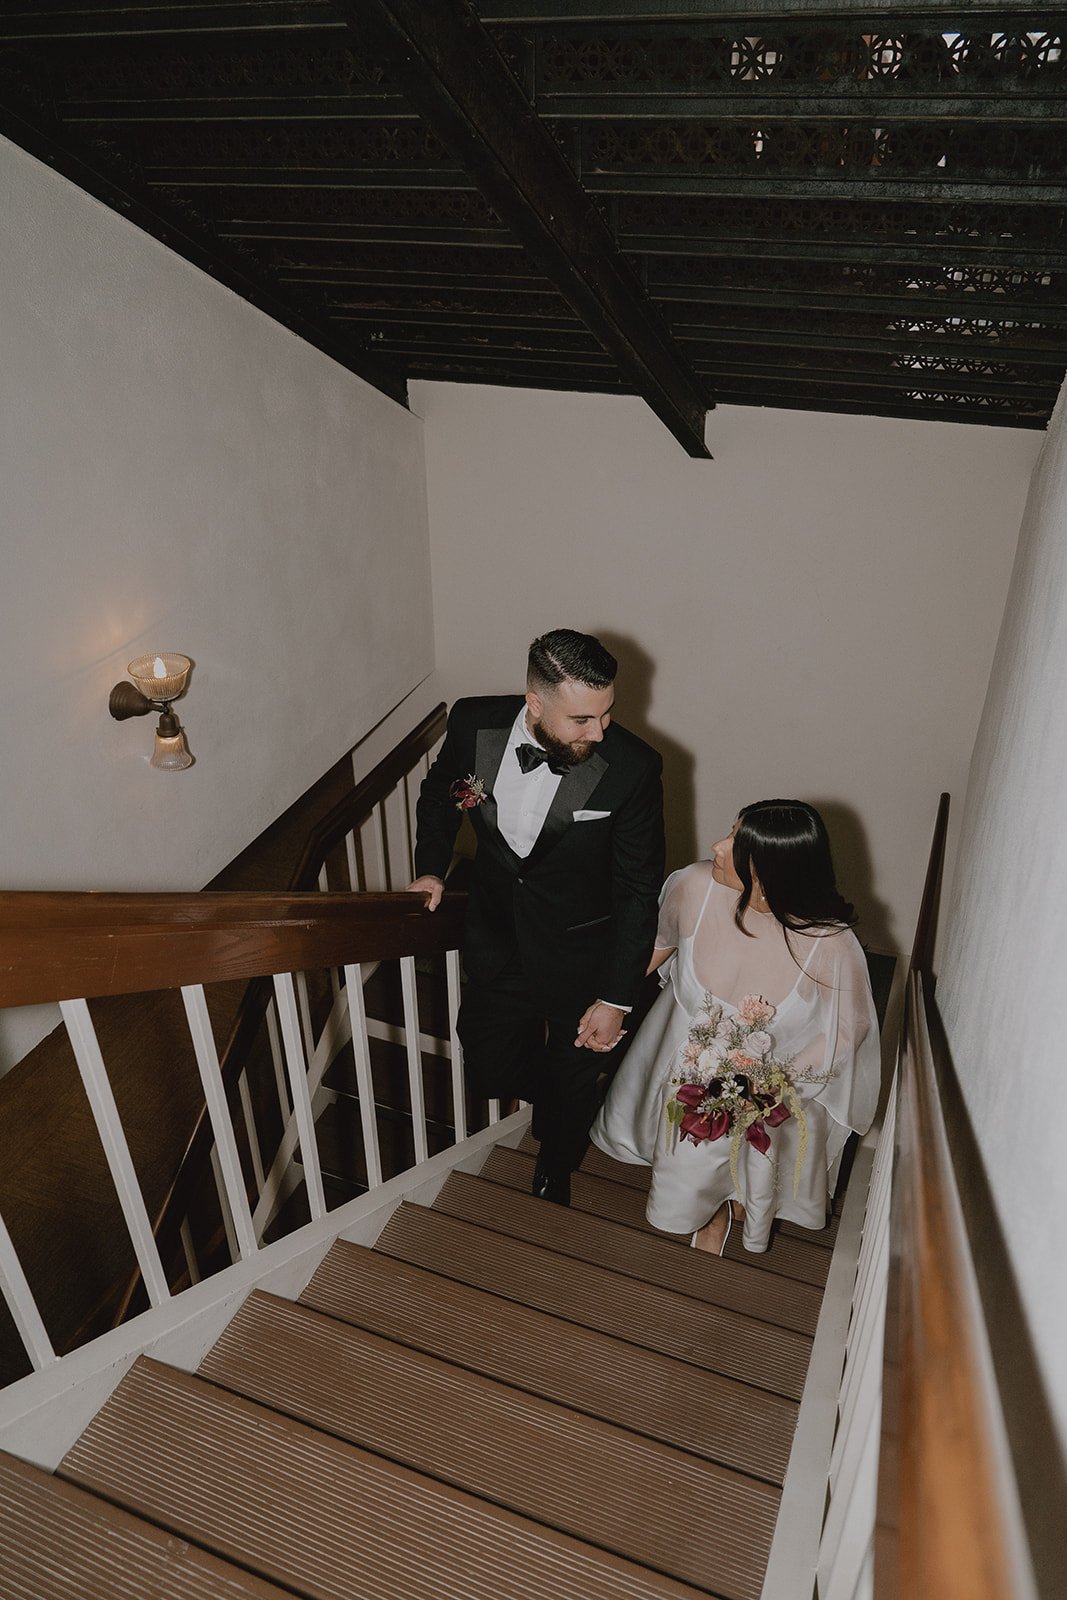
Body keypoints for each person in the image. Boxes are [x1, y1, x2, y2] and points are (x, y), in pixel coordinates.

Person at [407, 629, 664, 1206]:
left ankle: (556, 1159)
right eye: (582, 720)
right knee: (488, 1059)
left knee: (573, 1075)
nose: (599, 732)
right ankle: (554, 1092)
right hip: (497, 938)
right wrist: (432, 868)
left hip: (583, 954)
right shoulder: (474, 723)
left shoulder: (633, 767)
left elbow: (638, 888)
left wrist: (617, 998)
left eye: (606, 714)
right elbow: (441, 797)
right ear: (535, 702)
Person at [591, 800, 880, 1253]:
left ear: (770, 871)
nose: (717, 847)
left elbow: (851, 1029)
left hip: (772, 1084)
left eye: (735, 844)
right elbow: (659, 945)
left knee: (749, 1162)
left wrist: (765, 1087)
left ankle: (737, 1205)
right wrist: (611, 1003)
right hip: (679, 1056)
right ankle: (704, 1209)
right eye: (730, 832)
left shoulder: (831, 943)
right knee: (685, 1161)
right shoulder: (692, 885)